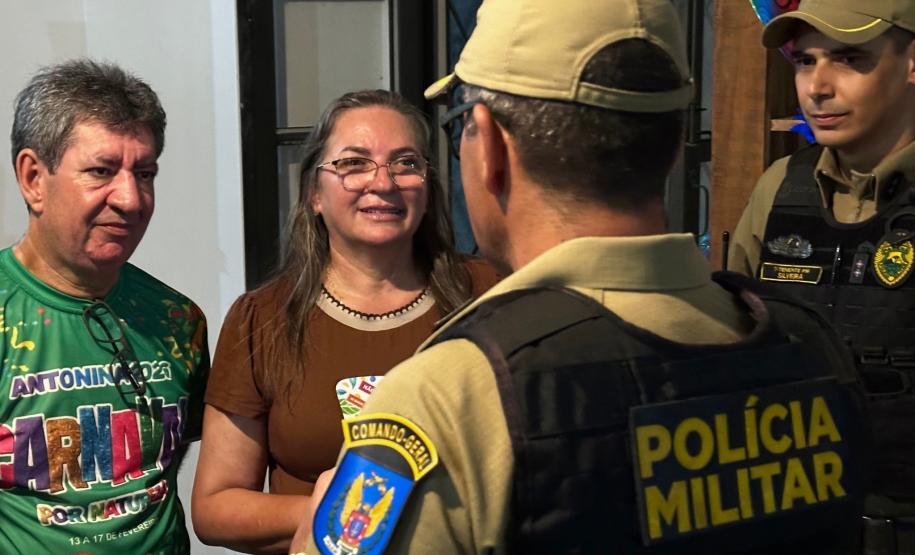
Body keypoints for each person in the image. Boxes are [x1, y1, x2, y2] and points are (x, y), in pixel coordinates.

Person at [291, 0, 873, 554]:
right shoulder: (810, 344)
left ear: (490, 146)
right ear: (674, 148)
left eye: (461, 126)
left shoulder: (453, 395)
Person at [191, 89, 499, 554]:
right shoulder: (261, 319)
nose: (383, 182)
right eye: (354, 163)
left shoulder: (490, 295)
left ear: (427, 187)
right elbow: (215, 508)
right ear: (314, 194)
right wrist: (341, 513)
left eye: (405, 163)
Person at [0, 59, 209, 554]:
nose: (131, 199)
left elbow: (168, 462)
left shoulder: (177, 320)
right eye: (101, 171)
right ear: (33, 178)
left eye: (145, 173)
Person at [729, 1, 915, 551]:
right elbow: (732, 350)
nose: (817, 87)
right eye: (805, 61)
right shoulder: (779, 187)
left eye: (849, 58)